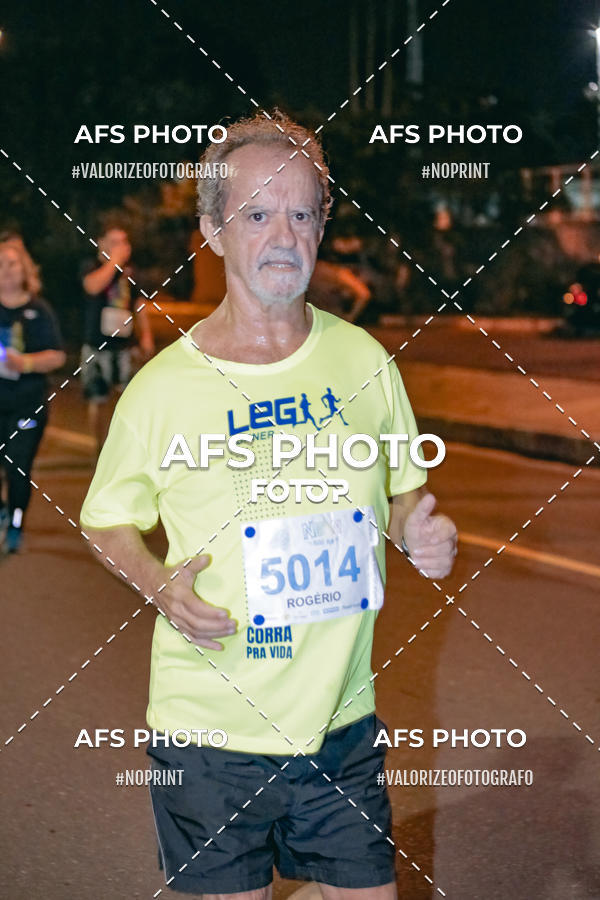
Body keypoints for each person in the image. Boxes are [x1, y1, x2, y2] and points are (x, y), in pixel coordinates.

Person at [80, 111, 458, 899]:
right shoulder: (161, 390)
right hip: (209, 731)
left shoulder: (363, 360)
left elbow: (403, 496)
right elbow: (106, 519)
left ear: (322, 223)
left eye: (301, 212)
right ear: (214, 231)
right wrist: (159, 585)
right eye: (256, 214)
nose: (283, 235)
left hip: (342, 724)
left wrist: (420, 531)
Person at [0, 238, 65, 553]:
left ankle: (15, 524)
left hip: (28, 406)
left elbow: (58, 356)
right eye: (0, 264)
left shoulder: (39, 310)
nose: (6, 271)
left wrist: (23, 362)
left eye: (12, 263)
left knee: (17, 466)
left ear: (24, 268)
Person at [80, 226, 154, 454]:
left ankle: (127, 447)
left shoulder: (132, 273)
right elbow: (92, 286)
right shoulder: (91, 267)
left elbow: (139, 305)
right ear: (101, 243)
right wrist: (113, 262)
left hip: (125, 344)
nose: (119, 247)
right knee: (97, 398)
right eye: (113, 242)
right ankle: (99, 448)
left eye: (123, 242)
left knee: (130, 398)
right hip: (97, 343)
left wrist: (146, 336)